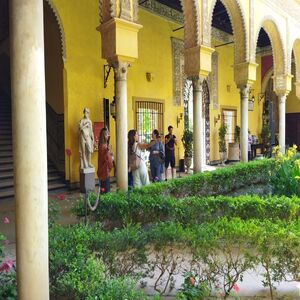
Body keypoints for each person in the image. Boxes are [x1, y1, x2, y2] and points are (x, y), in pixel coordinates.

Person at [97, 127, 114, 193]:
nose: (108, 135)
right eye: (107, 134)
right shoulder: (103, 146)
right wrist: (109, 153)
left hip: (104, 171)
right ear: (104, 135)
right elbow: (106, 159)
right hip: (104, 171)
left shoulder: (104, 145)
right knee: (106, 191)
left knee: (104, 189)